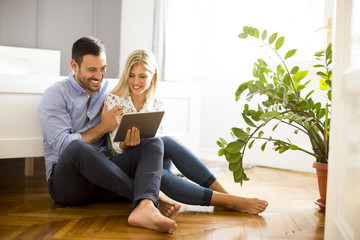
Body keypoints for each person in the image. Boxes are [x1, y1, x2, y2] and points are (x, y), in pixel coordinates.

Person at [38, 37, 178, 233]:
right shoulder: (55, 95)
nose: (99, 76)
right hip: (70, 186)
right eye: (92, 70)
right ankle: (148, 199)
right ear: (74, 65)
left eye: (102, 68)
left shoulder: (108, 90)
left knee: (154, 143)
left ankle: (144, 205)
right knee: (77, 148)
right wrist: (103, 127)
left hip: (106, 179)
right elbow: (62, 146)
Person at [105, 49, 268, 215]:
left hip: (151, 157)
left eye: (142, 76)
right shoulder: (114, 99)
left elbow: (157, 142)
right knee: (160, 173)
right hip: (127, 162)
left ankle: (224, 194)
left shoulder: (157, 103)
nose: (135, 81)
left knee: (166, 141)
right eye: (131, 75)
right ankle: (229, 201)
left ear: (153, 76)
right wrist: (126, 144)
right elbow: (114, 148)